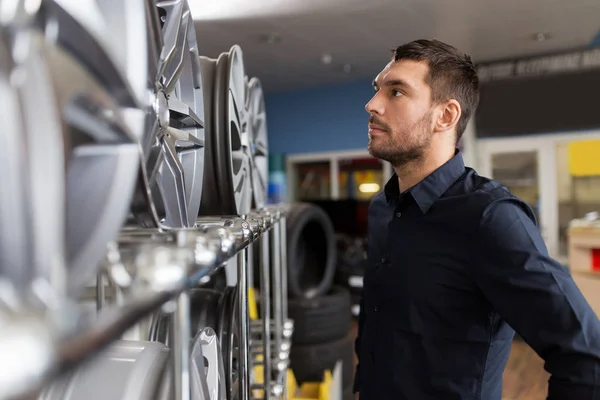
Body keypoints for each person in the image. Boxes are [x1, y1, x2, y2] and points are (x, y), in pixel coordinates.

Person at [354, 38, 600, 400]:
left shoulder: (490, 217)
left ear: (446, 115)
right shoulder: (383, 207)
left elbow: (587, 360)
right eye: (377, 90)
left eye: (396, 92)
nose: (372, 104)